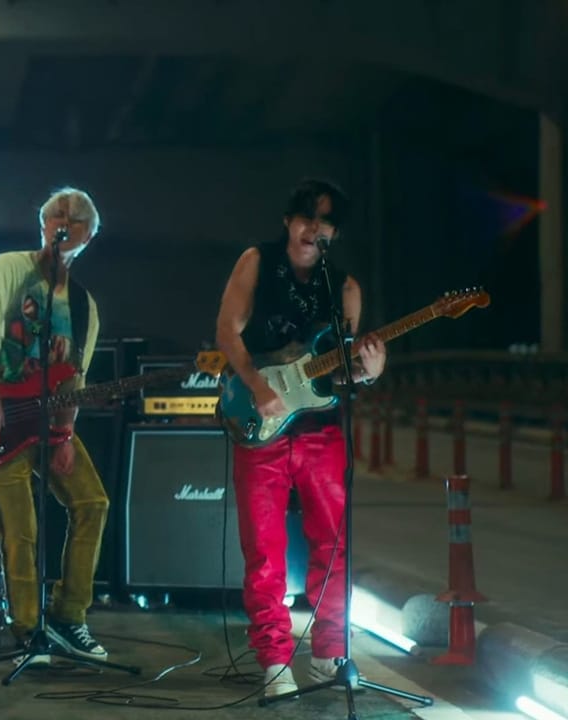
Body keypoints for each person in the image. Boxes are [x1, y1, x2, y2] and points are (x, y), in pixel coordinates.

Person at [214, 178, 386, 697]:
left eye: (325, 222)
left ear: (335, 233)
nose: (314, 229)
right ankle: (274, 661)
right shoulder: (257, 262)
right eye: (307, 218)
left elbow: (340, 372)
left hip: (320, 430)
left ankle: (329, 653)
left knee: (333, 545)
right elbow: (227, 330)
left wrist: (368, 372)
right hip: (260, 423)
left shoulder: (344, 288)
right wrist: (257, 385)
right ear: (289, 222)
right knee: (264, 550)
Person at [0, 186, 110, 663]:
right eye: (55, 216)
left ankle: (69, 615)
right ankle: (28, 631)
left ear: (88, 236)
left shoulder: (84, 307)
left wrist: (66, 434)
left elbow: (75, 379)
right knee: (19, 527)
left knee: (92, 502)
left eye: (75, 219)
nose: (63, 224)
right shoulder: (8, 268)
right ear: (43, 225)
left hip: (48, 422)